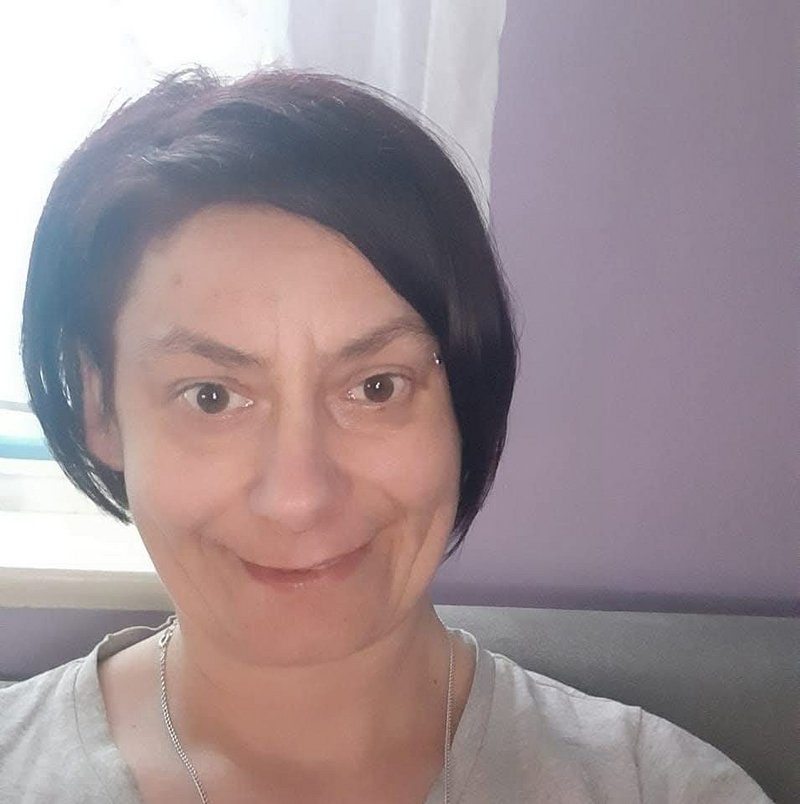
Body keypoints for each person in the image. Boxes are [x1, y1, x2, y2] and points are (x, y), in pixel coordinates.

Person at [0, 68, 770, 803]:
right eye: (211, 396)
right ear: (101, 410)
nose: (298, 497)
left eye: (376, 387)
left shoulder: (658, 787)